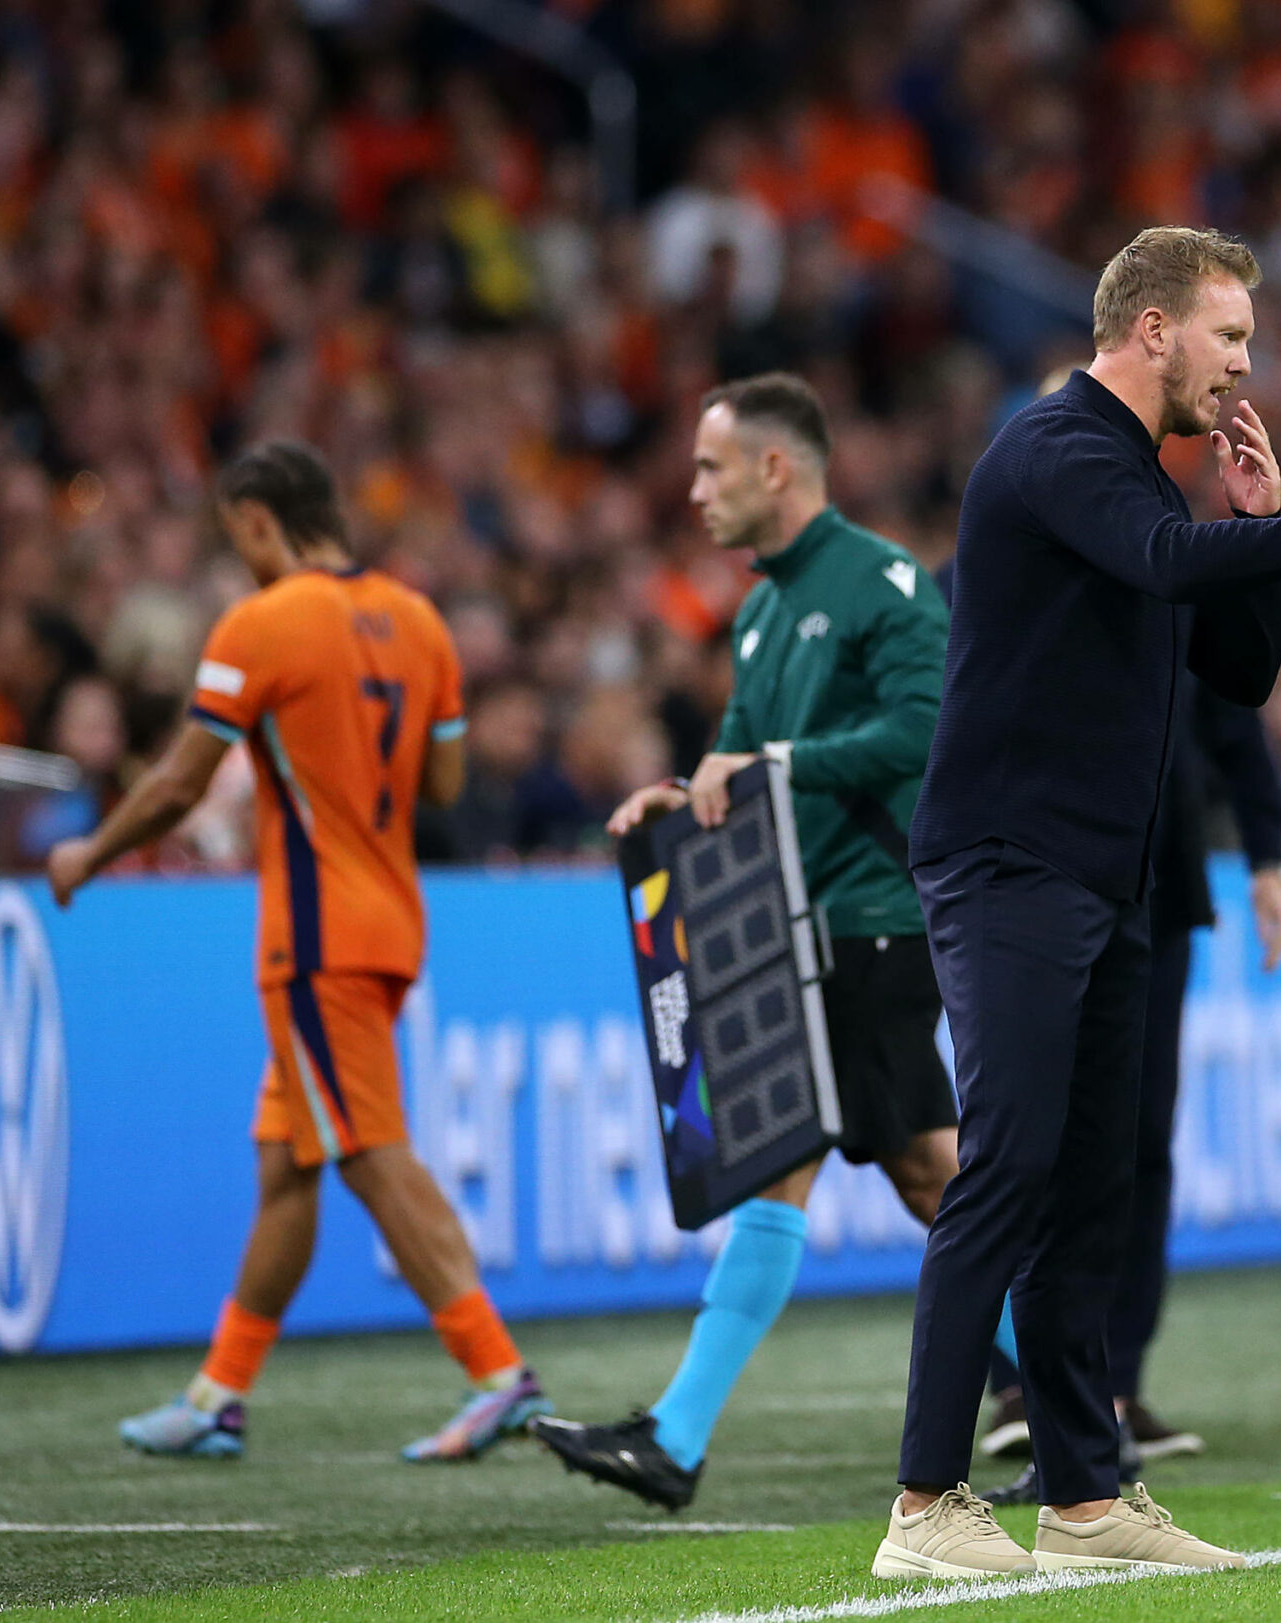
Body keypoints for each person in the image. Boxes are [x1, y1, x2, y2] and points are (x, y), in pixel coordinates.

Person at [876, 225, 1281, 1579]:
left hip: (1111, 877)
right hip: (1011, 864)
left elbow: (1234, 670)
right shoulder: (1055, 449)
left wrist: (1257, 525)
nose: (1246, 364)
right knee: (1010, 1167)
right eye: (1231, 336)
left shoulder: (1136, 480)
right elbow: (1171, 569)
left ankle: (1084, 1497)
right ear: (1150, 333)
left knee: (1092, 1190)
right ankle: (923, 1502)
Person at [49, 441, 551, 1462]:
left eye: (239, 537)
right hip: (392, 921)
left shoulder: (261, 623)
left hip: (315, 937)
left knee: (367, 1154)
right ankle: (218, 1393)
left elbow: (185, 782)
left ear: (262, 521)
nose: (239, 558)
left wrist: (91, 852)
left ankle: (498, 1371)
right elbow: (445, 790)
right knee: (287, 1166)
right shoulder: (421, 621)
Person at [531, 373, 958, 1510]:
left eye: (712, 467)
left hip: (873, 920)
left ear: (778, 468)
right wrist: (678, 795)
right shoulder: (765, 609)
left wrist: (767, 768)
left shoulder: (881, 582)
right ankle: (673, 1438)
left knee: (928, 1176)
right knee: (843, 1167)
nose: (695, 490)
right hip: (799, 924)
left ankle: (1075, 1409)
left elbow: (927, 725)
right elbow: (738, 752)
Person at [983, 686, 1281, 1502]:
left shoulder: (1176, 571)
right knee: (1017, 1145)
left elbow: (1234, 698)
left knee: (1136, 1141)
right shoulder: (989, 576)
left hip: (1153, 892)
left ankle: (1112, 1381)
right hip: (1029, 884)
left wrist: (1268, 853)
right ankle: (1029, 1379)